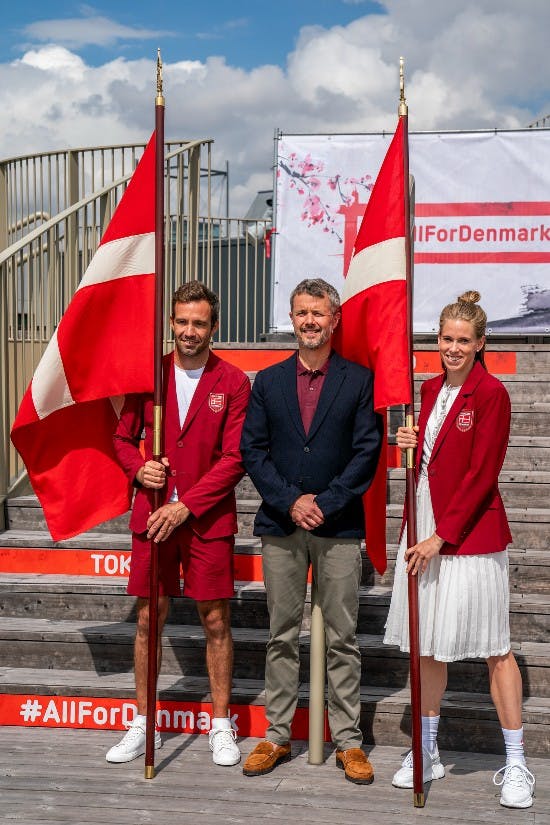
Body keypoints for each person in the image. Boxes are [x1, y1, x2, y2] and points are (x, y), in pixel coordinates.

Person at [384, 291, 536, 809]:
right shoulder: (425, 390)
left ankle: (516, 762)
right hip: (424, 525)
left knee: (495, 646)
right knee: (427, 646)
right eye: (446, 338)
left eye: (462, 341)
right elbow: (423, 464)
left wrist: (438, 537)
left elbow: (481, 475)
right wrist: (405, 441)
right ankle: (426, 751)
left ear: (480, 343)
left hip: (468, 534)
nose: (452, 347)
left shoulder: (491, 393)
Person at [240, 278, 383, 784]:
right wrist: (291, 501)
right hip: (281, 524)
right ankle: (277, 735)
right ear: (292, 317)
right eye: (301, 312)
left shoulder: (359, 380)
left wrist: (324, 502)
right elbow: (252, 451)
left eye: (318, 313)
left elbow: (368, 451)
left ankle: (348, 741)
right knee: (281, 633)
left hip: (338, 525)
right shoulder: (269, 381)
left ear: (334, 318)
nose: (309, 321)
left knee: (343, 637)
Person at [105, 281, 251, 768]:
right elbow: (123, 439)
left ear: (214, 326)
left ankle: (221, 724)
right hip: (152, 516)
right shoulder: (149, 376)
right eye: (182, 322)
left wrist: (185, 504)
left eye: (200, 323)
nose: (190, 331)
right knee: (149, 619)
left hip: (205, 518)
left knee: (215, 621)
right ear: (171, 322)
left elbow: (234, 459)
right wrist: (138, 467)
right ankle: (144, 723)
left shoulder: (232, 381)